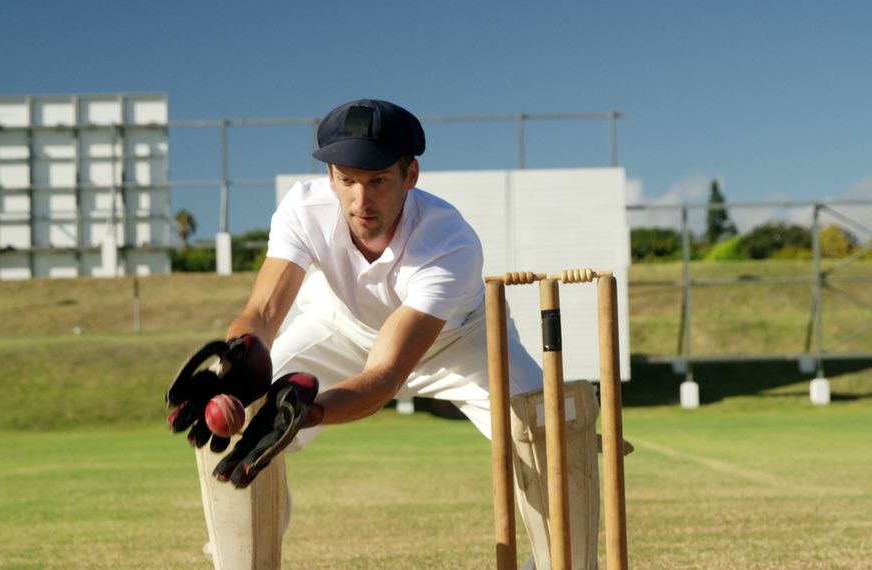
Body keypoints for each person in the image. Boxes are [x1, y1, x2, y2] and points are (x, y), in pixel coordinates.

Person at [170, 99, 601, 569]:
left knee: (549, 427)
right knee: (245, 423)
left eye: (377, 181)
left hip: (458, 342)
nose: (360, 201)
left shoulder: (447, 241)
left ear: (410, 175)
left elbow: (387, 373)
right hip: (337, 328)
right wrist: (239, 361)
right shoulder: (303, 207)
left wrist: (308, 413)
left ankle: (568, 565)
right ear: (331, 175)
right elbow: (264, 311)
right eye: (346, 180)